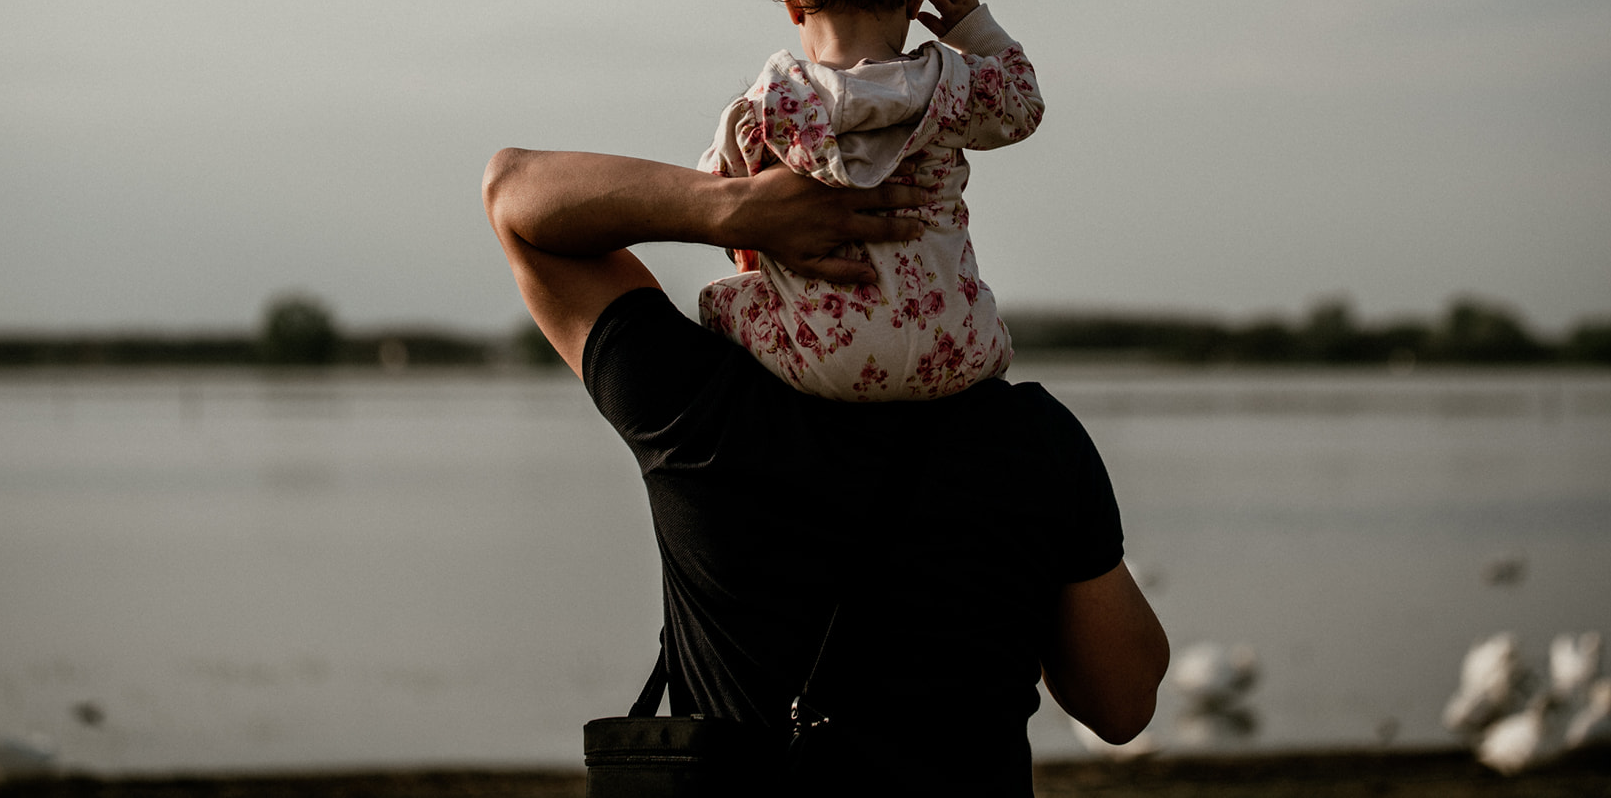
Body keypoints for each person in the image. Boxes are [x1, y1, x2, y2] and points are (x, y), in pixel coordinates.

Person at [483, 147, 1168, 795]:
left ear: (754, 248)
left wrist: (730, 204)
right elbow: (1122, 700)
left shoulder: (696, 406)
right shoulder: (1033, 440)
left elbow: (513, 191)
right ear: (938, 236)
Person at [698, 0, 1044, 400]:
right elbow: (1023, 105)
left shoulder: (769, 105)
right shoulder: (952, 83)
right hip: (954, 353)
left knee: (718, 298)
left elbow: (722, 199)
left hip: (824, 358)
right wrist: (973, 29)